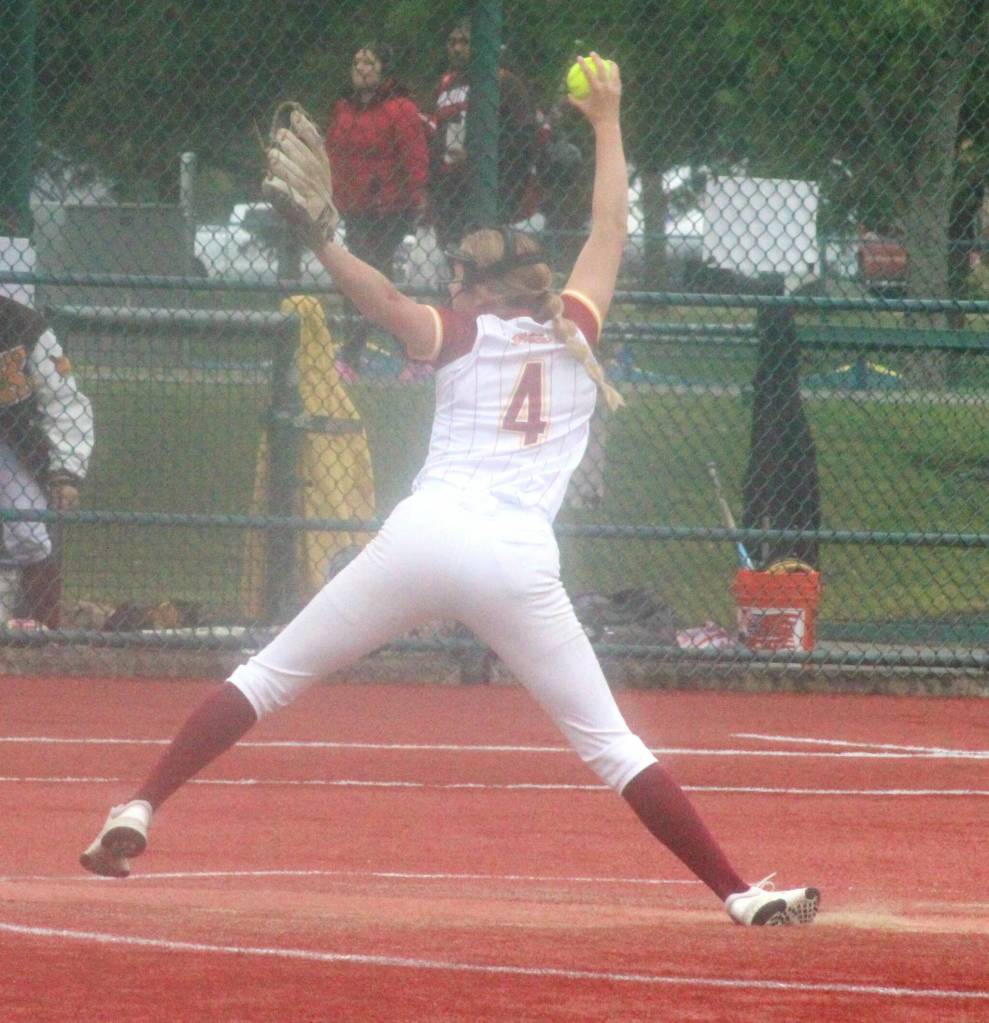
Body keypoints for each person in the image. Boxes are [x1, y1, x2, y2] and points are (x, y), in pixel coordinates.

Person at [80, 56, 819, 928]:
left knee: (269, 674)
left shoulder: (460, 333)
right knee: (613, 746)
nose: (448, 285)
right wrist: (607, 118)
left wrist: (323, 240)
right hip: (515, 558)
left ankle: (141, 804)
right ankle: (738, 892)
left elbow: (382, 297)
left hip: (424, 537)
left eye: (458, 276)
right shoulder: (577, 328)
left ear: (475, 289)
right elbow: (611, 225)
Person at [324, 42, 429, 376]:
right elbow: (334, 154)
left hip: (390, 208)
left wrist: (418, 195)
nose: (361, 68)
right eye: (357, 62)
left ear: (384, 69)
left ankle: (367, 355)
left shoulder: (400, 108)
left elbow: (414, 156)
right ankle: (408, 354)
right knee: (367, 280)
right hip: (355, 208)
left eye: (369, 63)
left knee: (370, 280)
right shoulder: (344, 108)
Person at [0, 294, 93, 627]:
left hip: (10, 445)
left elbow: (64, 402)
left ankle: (33, 626)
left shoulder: (24, 325)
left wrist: (67, 469)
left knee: (29, 534)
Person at [429, 17, 542, 248]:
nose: (457, 48)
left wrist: (479, 156)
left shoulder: (504, 82)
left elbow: (525, 137)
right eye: (452, 42)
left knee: (485, 253)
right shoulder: (445, 84)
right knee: (454, 252)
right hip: (450, 189)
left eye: (465, 42)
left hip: (491, 189)